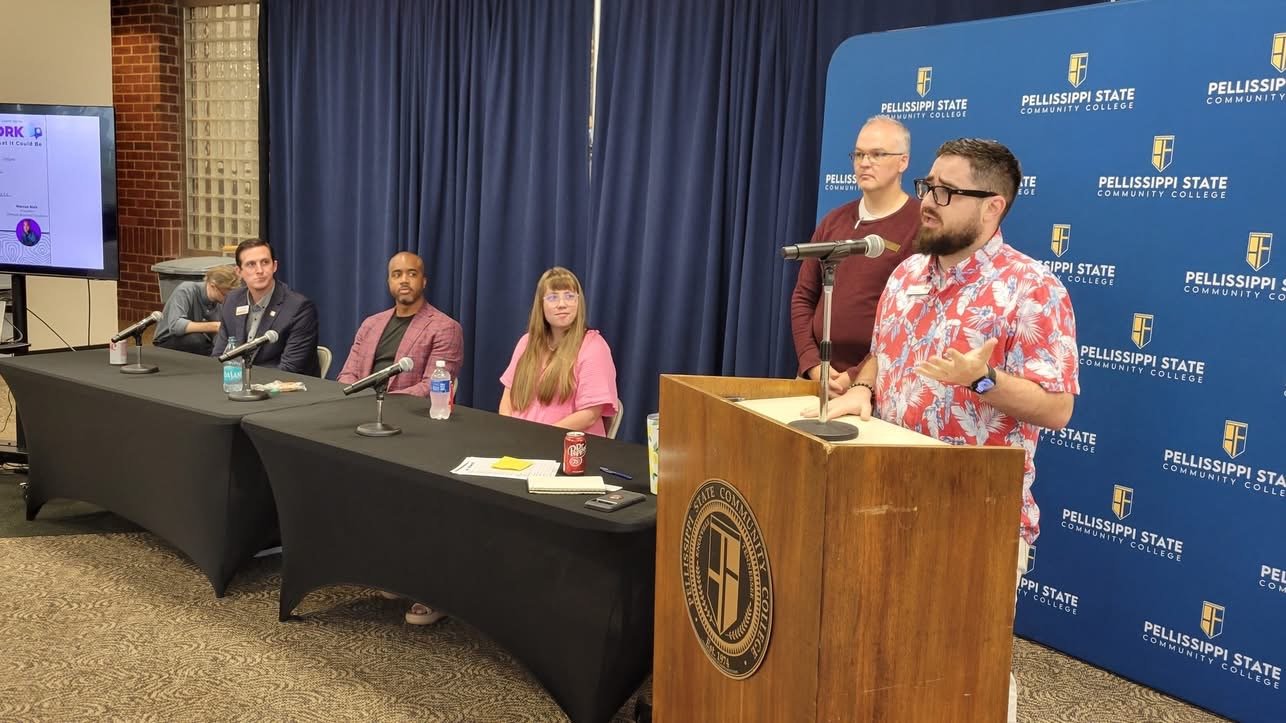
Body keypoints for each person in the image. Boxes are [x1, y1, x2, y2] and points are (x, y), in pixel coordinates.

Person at [811, 138, 1078, 723]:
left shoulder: (1032, 289)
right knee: (883, 663)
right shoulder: (906, 274)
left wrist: (984, 381)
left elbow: (1058, 409)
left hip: (973, 521)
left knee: (961, 678)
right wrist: (862, 388)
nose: (927, 202)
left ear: (992, 208)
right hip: (881, 501)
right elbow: (882, 355)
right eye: (928, 187)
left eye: (946, 192)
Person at [791, 115, 920, 397]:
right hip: (816, 378)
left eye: (877, 154)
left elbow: (914, 320)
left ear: (903, 162)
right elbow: (804, 296)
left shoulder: (921, 224)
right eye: (859, 154)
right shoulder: (834, 221)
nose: (864, 162)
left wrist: (854, 376)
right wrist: (812, 363)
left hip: (876, 384)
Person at [499, 267, 618, 437]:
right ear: (541, 305)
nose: (562, 304)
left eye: (569, 296)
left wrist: (539, 436)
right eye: (553, 297)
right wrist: (509, 432)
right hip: (520, 441)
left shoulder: (594, 347)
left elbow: (590, 415)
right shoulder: (526, 342)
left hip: (569, 448)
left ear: (579, 302)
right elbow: (507, 399)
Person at [337, 251, 463, 392]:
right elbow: (348, 374)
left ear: (424, 282)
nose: (404, 280)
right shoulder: (370, 324)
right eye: (397, 274)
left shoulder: (446, 328)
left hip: (406, 411)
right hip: (359, 406)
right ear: (389, 282)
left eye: (412, 274)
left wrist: (381, 402)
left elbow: (432, 387)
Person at [211, 238, 320, 376]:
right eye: (251, 264)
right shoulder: (232, 300)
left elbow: (289, 369)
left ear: (274, 266)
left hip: (283, 389)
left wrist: (246, 382)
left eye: (265, 262)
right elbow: (219, 356)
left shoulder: (299, 308)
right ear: (239, 271)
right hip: (237, 385)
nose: (260, 270)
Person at [153, 264, 240, 356]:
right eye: (225, 295)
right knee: (196, 340)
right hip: (167, 340)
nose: (229, 299)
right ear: (212, 286)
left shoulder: (220, 301)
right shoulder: (186, 290)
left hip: (201, 339)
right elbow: (175, 326)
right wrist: (215, 326)